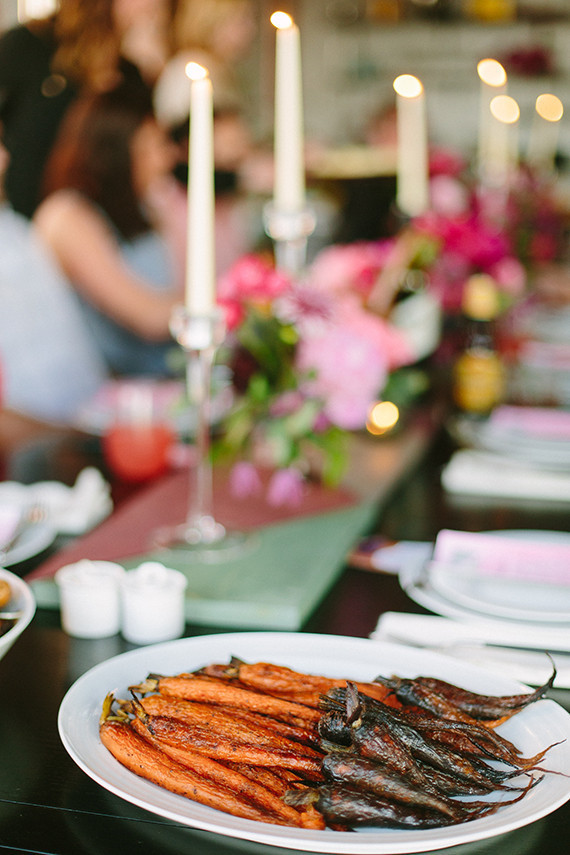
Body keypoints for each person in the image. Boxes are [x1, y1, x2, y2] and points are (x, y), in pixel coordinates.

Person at [33, 81, 184, 378]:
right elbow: (148, 317)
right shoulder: (68, 216)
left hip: (161, 373)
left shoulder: (144, 206)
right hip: (107, 385)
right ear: (116, 153)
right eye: (152, 147)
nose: (167, 158)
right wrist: (229, 300)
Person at [0, 0, 169, 219]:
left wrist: (152, 74)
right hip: (25, 218)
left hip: (98, 222)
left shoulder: (134, 71)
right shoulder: (28, 45)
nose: (156, 5)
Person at [0, 137, 110, 449]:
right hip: (43, 457)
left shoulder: (16, 230)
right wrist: (81, 442)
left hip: (88, 425)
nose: (5, 158)